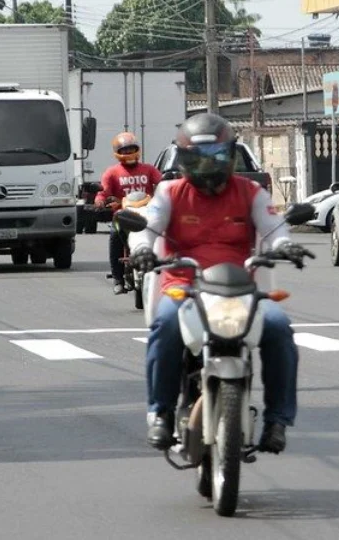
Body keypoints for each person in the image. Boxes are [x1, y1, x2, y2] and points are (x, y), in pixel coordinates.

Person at [128, 113, 313, 453]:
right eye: (198, 158)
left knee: (278, 327)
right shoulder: (169, 192)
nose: (207, 165)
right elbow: (147, 228)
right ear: (183, 161)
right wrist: (141, 250)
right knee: (165, 326)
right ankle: (161, 414)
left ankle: (277, 420)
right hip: (183, 285)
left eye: (216, 156)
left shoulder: (251, 192)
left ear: (230, 156)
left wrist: (285, 246)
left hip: (243, 287)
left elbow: (274, 229)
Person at [94, 132, 161, 295]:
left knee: (161, 235)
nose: (128, 153)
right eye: (124, 150)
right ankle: (118, 279)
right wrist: (100, 201)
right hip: (122, 215)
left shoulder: (149, 169)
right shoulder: (112, 173)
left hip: (146, 213)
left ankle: (162, 271)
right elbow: (103, 192)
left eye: (131, 149)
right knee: (114, 236)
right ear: (118, 153)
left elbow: (162, 184)